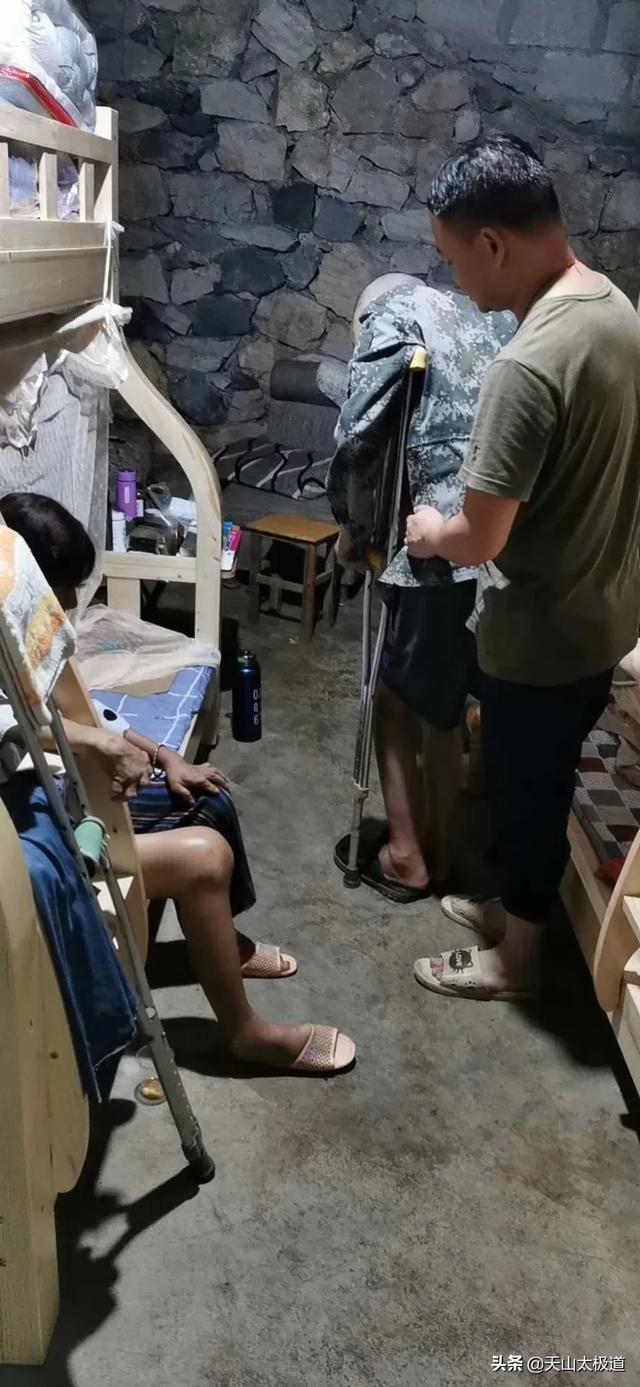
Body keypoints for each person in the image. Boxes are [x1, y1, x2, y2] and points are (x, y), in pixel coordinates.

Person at [0, 491, 355, 1073]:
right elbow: (28, 725)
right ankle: (246, 1034)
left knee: (206, 797)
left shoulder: (29, 634)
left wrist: (165, 755)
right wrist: (100, 747)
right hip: (39, 817)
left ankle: (222, 944)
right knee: (206, 855)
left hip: (68, 789)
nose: (67, 609)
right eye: (61, 593)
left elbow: (84, 711)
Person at [405, 137, 640, 1000]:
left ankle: (517, 962)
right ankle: (512, 914)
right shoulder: (613, 306)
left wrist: (431, 531)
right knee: (538, 778)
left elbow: (480, 538)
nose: (455, 278)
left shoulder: (526, 365)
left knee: (527, 796)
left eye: (452, 258)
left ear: (493, 244)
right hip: (603, 609)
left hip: (540, 636)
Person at [328, 273, 512, 900]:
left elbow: (359, 436)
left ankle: (410, 855)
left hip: (438, 543)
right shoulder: (490, 315)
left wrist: (353, 529)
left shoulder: (393, 314)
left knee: (395, 699)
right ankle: (441, 845)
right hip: (505, 536)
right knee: (447, 703)